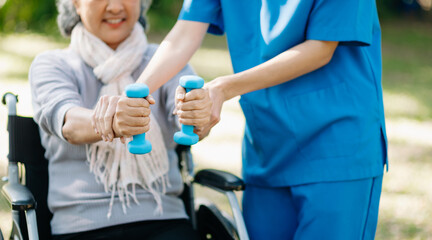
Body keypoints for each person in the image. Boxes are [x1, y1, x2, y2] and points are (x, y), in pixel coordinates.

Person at [94, 0, 388, 239]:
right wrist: (136, 94)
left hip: (337, 145)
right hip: (267, 143)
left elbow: (320, 49)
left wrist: (224, 88)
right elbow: (186, 31)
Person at [29, 0, 210, 239]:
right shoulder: (52, 64)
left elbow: (191, 123)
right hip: (82, 227)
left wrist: (197, 113)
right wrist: (109, 121)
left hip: (165, 219)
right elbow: (69, 123)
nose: (115, 7)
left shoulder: (168, 59)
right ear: (75, 3)